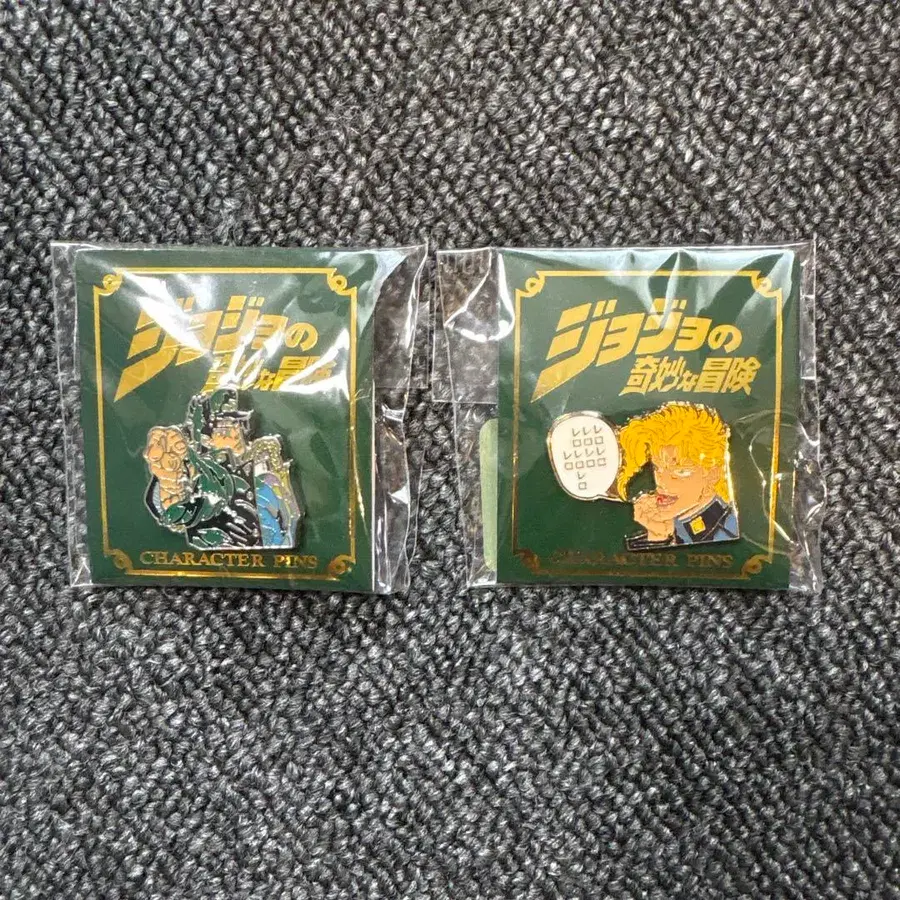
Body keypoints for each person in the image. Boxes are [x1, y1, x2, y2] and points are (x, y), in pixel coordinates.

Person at [143, 389, 301, 550]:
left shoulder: (262, 463)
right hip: (217, 553)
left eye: (238, 424)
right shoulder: (200, 474)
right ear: (207, 439)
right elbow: (173, 509)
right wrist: (168, 472)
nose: (235, 434)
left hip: (273, 550)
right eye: (223, 430)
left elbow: (289, 516)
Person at [616, 402, 738, 551]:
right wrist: (658, 537)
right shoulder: (679, 526)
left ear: (713, 474)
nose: (662, 483)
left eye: (680, 472)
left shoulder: (726, 531)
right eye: (658, 468)